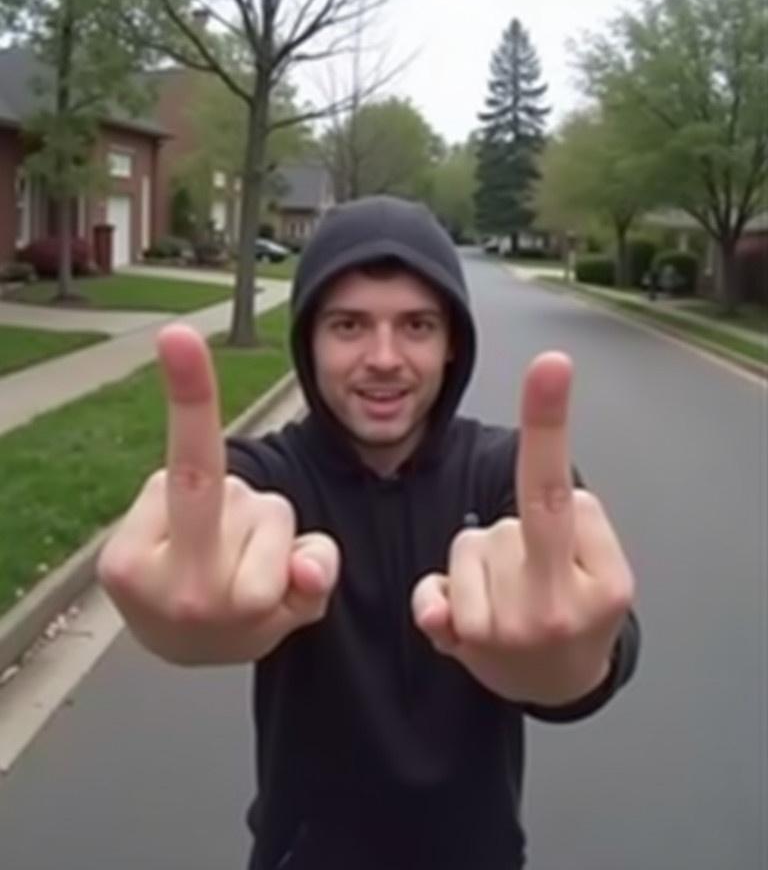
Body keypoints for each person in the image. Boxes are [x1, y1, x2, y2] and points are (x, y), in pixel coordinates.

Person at [98, 196, 640, 870]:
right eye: (349, 325)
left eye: (416, 325)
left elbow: (600, 629)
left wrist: (573, 667)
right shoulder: (271, 477)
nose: (384, 358)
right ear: (309, 341)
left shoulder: (509, 474)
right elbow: (206, 520)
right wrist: (178, 602)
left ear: (451, 347)